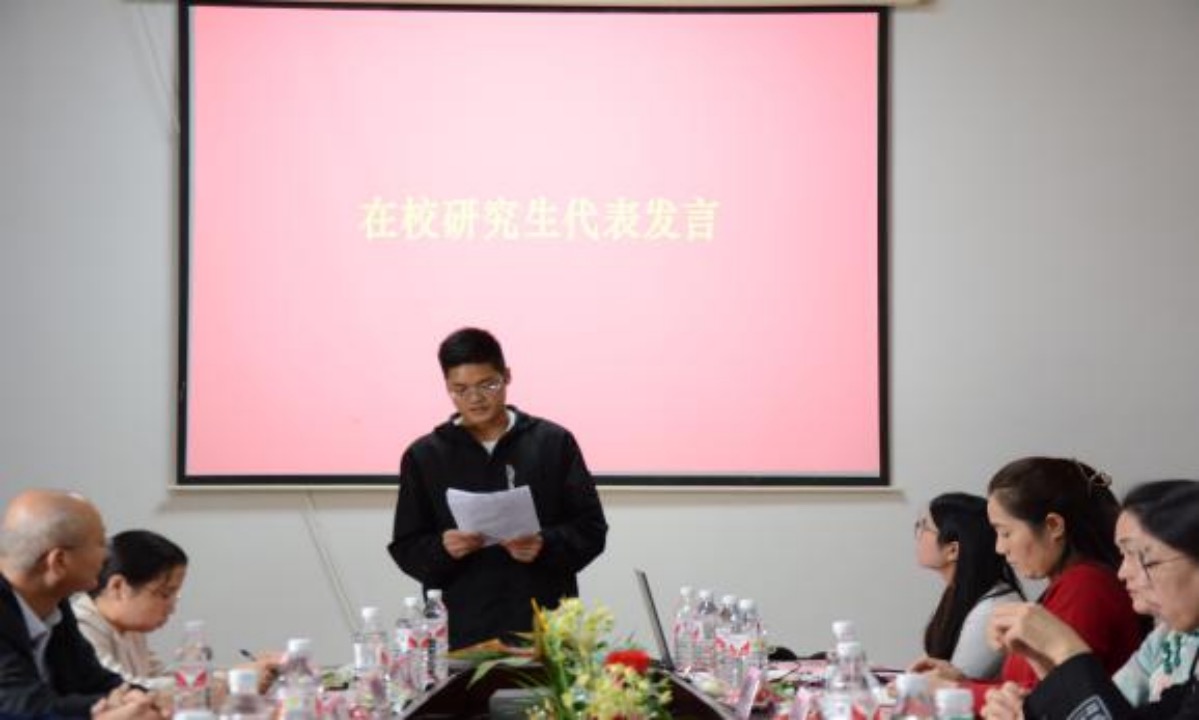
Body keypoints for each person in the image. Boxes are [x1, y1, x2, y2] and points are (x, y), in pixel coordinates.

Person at [387, 327, 609, 649]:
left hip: (543, 627)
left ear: (507, 376)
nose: (475, 398)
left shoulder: (553, 443)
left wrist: (545, 544)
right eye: (460, 389)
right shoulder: (424, 456)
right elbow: (406, 546)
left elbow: (592, 529)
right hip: (464, 631)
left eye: (487, 384)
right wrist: (443, 548)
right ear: (447, 387)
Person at [919, 457, 1144, 709]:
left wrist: (954, 690)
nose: (1000, 547)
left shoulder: (1087, 587)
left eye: (1005, 533)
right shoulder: (1069, 585)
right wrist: (962, 681)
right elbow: (1032, 691)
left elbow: (1048, 702)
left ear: (1053, 526)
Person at [982, 482, 1199, 720]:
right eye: (1123, 555)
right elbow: (1118, 708)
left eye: (1142, 558)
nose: (1122, 573)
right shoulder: (1165, 636)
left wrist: (1065, 650)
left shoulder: (1087, 583)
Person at [0, 490, 150, 717]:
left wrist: (139, 696)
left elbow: (91, 680)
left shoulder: (54, 602)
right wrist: (100, 709)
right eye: (100, 543)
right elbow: (20, 707)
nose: (107, 555)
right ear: (59, 561)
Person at [910, 492, 1024, 680]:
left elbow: (957, 682)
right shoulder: (959, 591)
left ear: (953, 550)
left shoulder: (992, 609)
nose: (918, 534)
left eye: (925, 527)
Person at [71, 530, 187, 686]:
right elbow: (120, 686)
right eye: (165, 594)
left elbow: (156, 673)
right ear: (118, 587)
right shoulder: (80, 627)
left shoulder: (130, 628)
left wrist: (210, 677)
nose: (172, 609)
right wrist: (191, 685)